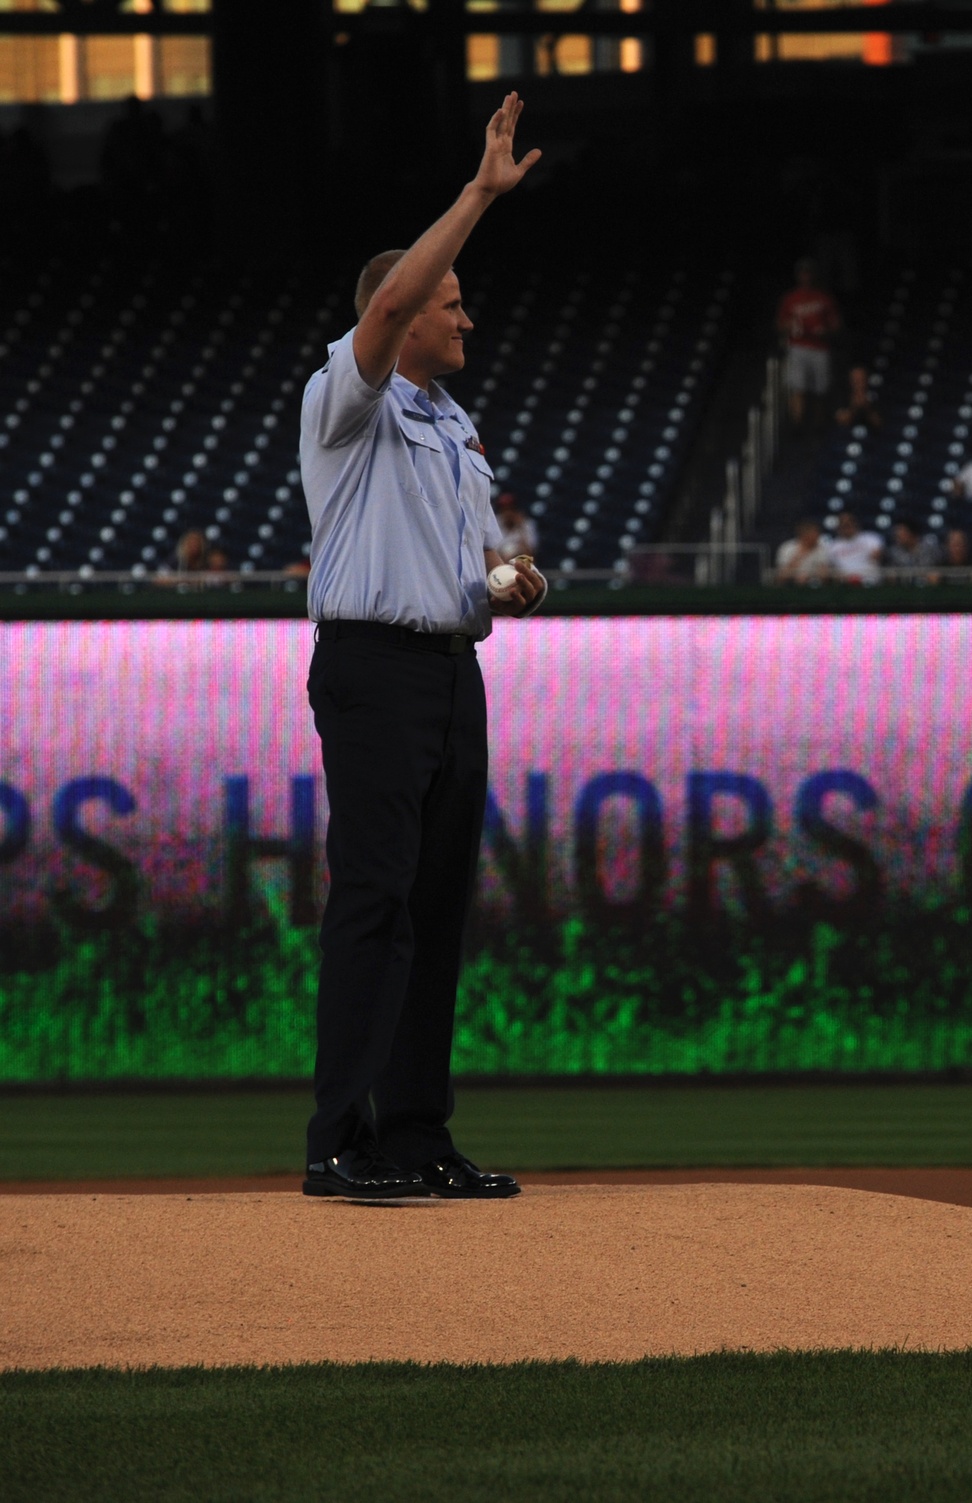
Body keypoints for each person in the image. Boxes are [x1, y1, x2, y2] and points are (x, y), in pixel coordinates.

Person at [299, 94, 545, 1203]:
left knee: (438, 906)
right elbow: (397, 288)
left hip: (453, 668)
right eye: (450, 303)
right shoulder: (342, 399)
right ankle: (336, 1138)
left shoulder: (452, 423)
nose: (464, 317)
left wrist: (509, 580)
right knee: (375, 900)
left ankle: (412, 1135)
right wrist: (478, 196)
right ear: (395, 319)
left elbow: (471, 565)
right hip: (373, 668)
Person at [776, 257, 841, 430]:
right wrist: (789, 325)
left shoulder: (823, 297)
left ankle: (819, 424)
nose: (805, 276)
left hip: (820, 347)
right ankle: (797, 423)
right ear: (798, 275)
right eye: (802, 272)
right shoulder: (790, 298)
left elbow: (836, 324)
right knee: (798, 387)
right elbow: (780, 324)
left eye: (808, 272)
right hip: (798, 346)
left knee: (821, 389)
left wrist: (826, 331)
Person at [827, 511, 882, 584]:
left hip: (870, 582)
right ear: (839, 527)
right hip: (845, 585)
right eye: (843, 526)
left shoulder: (871, 538)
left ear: (855, 524)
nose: (846, 528)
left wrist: (878, 555)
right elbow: (831, 569)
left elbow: (878, 556)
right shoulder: (833, 546)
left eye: (848, 525)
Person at [774, 517, 831, 584]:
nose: (818, 537)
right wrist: (801, 554)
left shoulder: (821, 549)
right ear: (805, 535)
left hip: (814, 583)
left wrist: (809, 577)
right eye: (814, 534)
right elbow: (781, 575)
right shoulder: (787, 548)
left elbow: (824, 573)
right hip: (791, 583)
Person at [835, 365, 882, 430]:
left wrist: (867, 407)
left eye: (861, 379)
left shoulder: (875, 396)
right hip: (847, 434)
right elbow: (841, 421)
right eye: (855, 379)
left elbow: (879, 423)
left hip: (873, 435)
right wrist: (854, 407)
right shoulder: (842, 396)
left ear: (866, 379)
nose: (858, 382)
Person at [496, 492, 539, 562]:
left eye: (510, 509)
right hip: (499, 564)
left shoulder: (526, 524)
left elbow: (530, 553)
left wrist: (520, 527)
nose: (507, 513)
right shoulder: (496, 523)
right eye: (504, 509)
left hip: (521, 564)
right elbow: (491, 551)